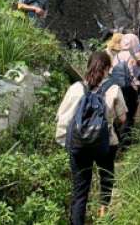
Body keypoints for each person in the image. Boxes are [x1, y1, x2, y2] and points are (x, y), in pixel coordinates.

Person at [56, 51, 127, 224]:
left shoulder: (76, 88)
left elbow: (61, 117)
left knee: (80, 189)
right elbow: (123, 118)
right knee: (106, 178)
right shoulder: (114, 88)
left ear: (89, 65)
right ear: (108, 68)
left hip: (79, 144)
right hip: (106, 143)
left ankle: (76, 221)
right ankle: (103, 213)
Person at [108, 32, 140, 145]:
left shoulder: (117, 55)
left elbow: (111, 72)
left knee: (119, 114)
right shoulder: (135, 56)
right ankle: (126, 143)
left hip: (117, 87)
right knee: (129, 114)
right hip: (130, 88)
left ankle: (117, 139)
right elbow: (136, 74)